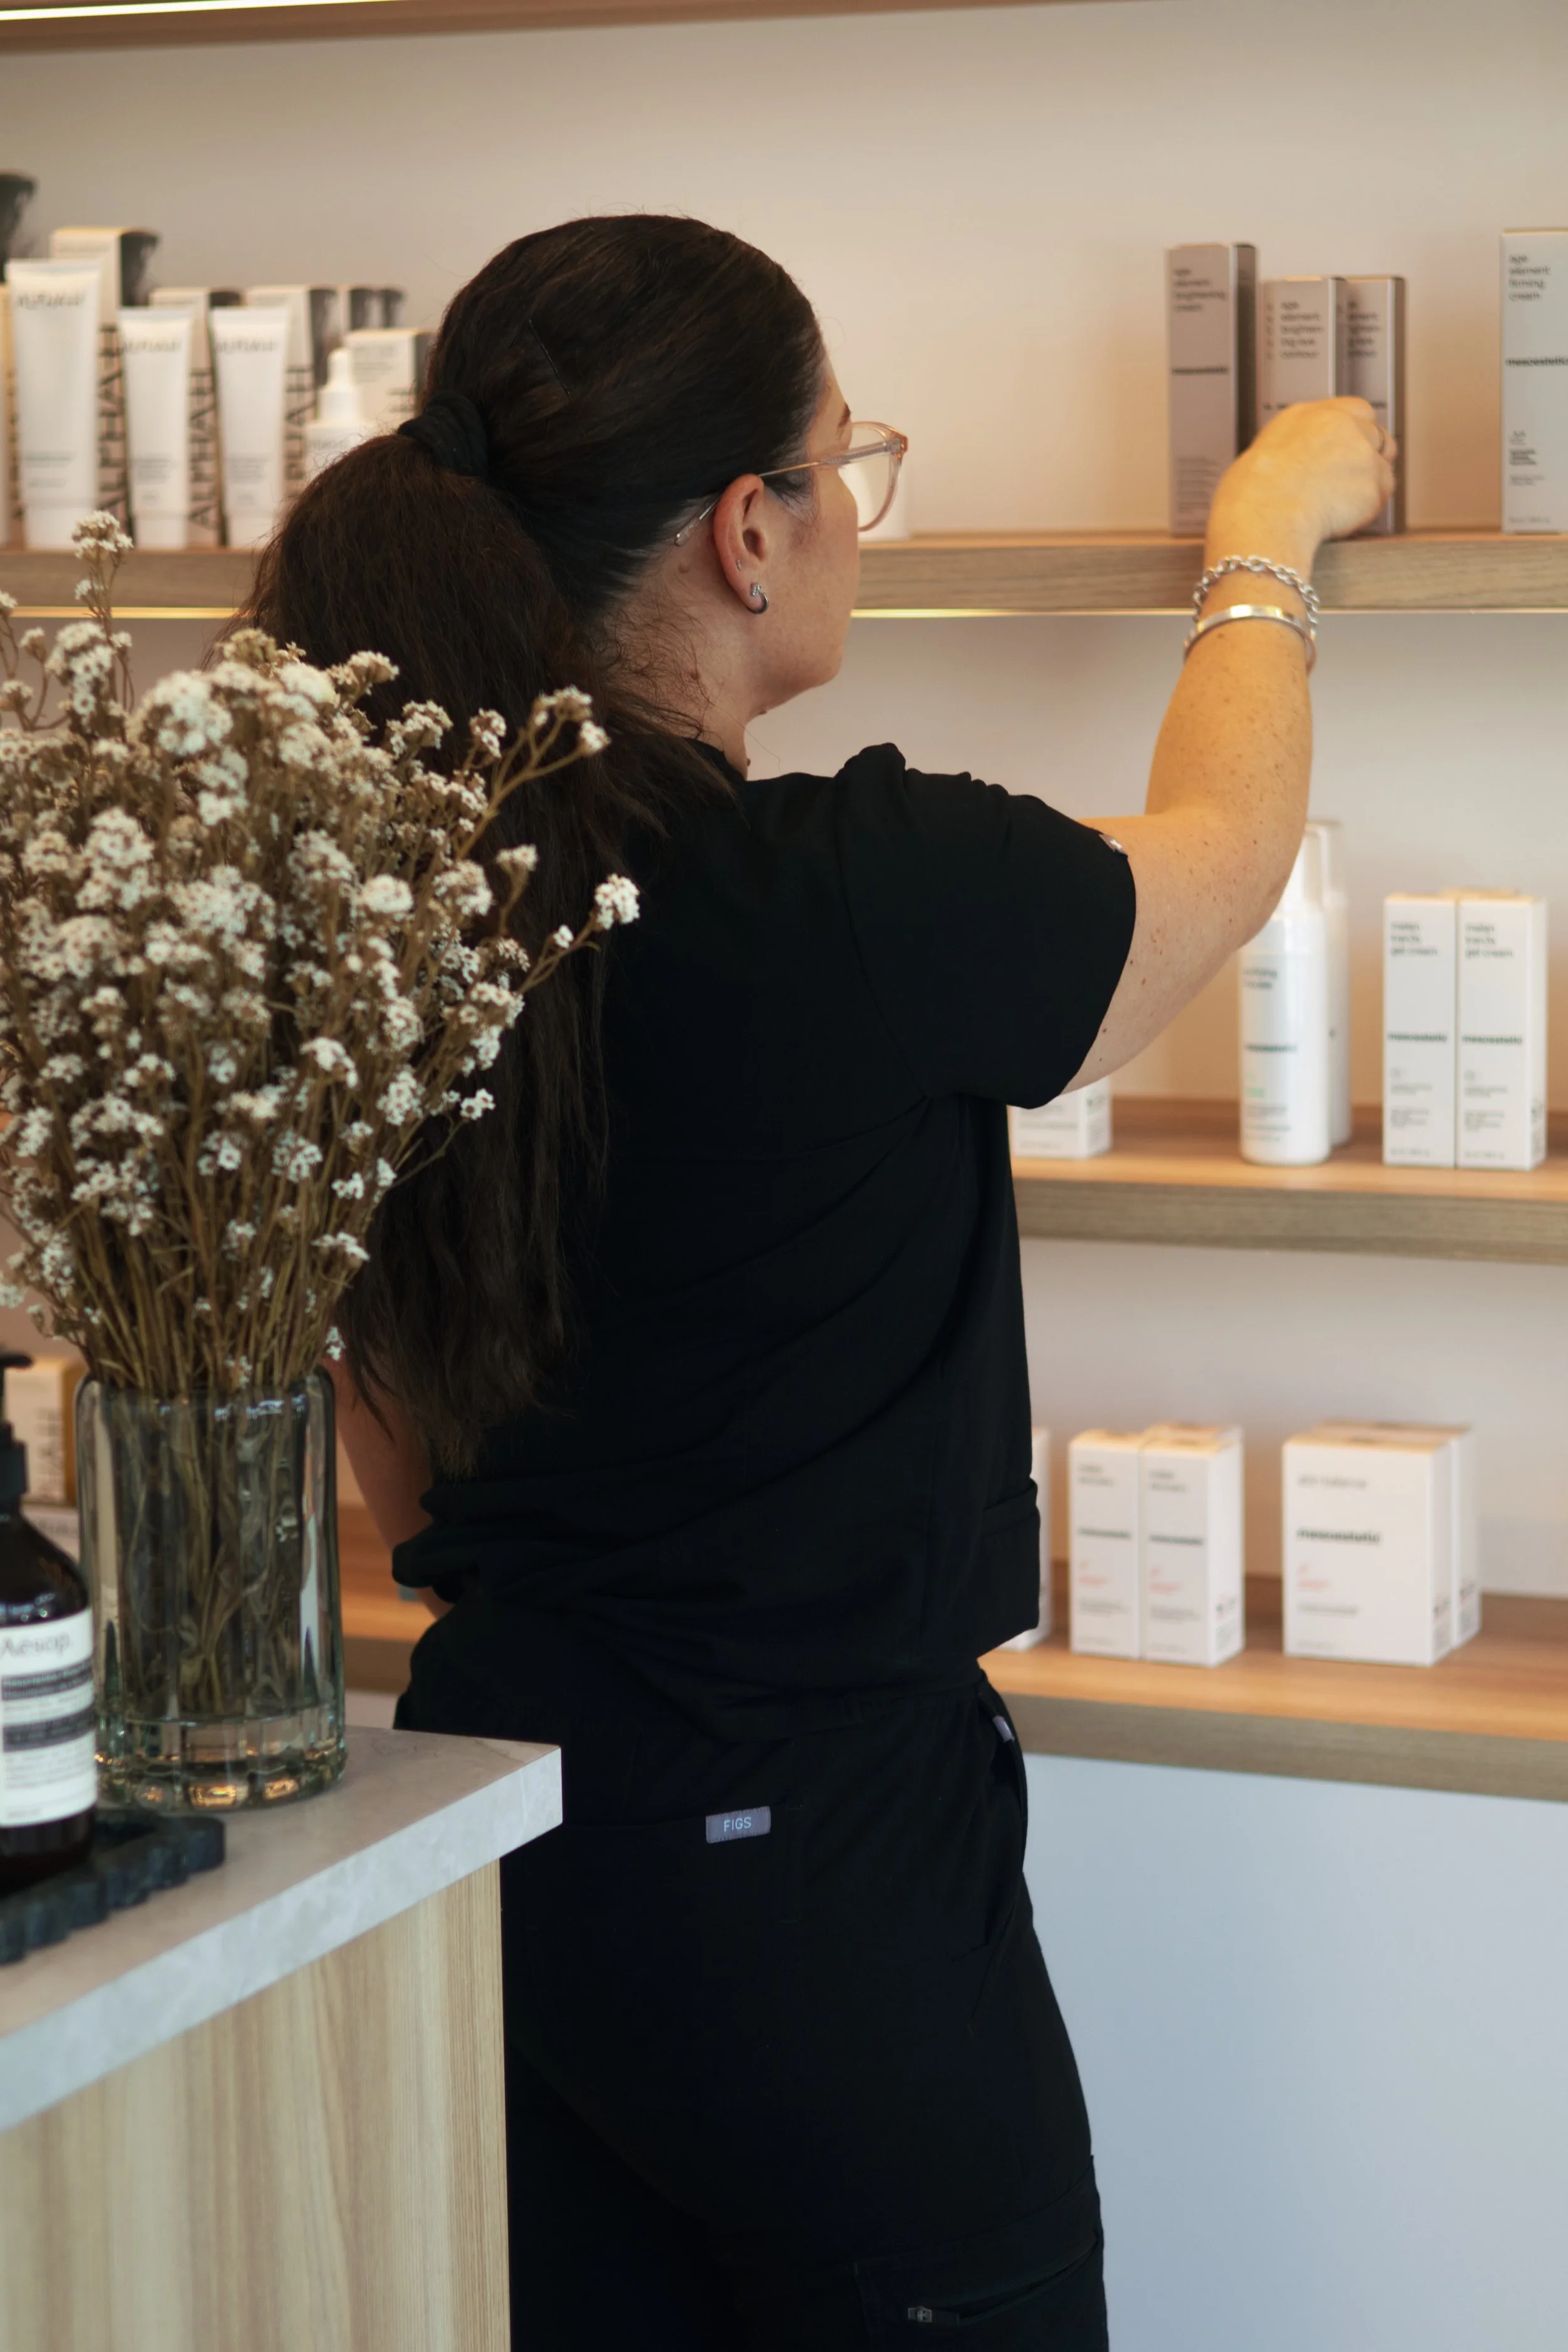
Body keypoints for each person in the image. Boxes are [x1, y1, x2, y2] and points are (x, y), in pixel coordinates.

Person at [246, 215, 1392, 2350]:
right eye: (843, 466)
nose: (853, 515)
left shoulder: (382, 916)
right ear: (745, 536)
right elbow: (1221, 850)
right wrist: (1265, 541)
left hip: (509, 1824)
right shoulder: (848, 897)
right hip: (823, 1889)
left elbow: (388, 1444)